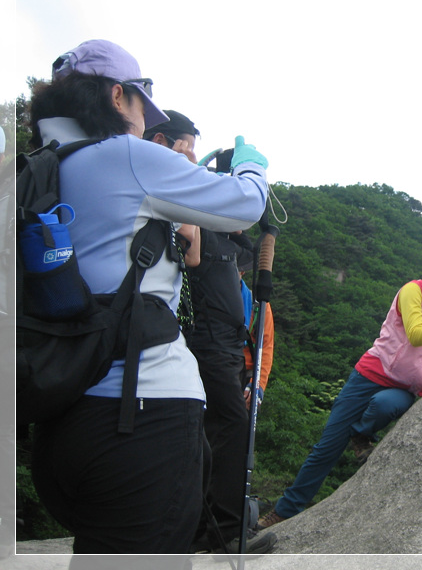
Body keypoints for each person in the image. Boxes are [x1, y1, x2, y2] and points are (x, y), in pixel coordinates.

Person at [27, 39, 275, 554]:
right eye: (143, 105)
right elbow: (244, 206)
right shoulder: (124, 156)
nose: (146, 121)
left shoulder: (45, 164)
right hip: (141, 418)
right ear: (118, 97)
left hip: (61, 419)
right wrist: (251, 166)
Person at [257, 245, 422, 529]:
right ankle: (283, 512)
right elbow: (415, 335)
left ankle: (361, 434)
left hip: (406, 387)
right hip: (370, 374)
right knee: (326, 449)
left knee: (385, 405)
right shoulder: (414, 290)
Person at [144, 111, 265, 553]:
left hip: (227, 342)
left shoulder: (217, 220)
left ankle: (206, 527)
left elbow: (243, 227)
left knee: (214, 430)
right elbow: (192, 252)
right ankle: (226, 530)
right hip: (206, 336)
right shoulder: (178, 196)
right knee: (227, 424)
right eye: (186, 146)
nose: (192, 156)